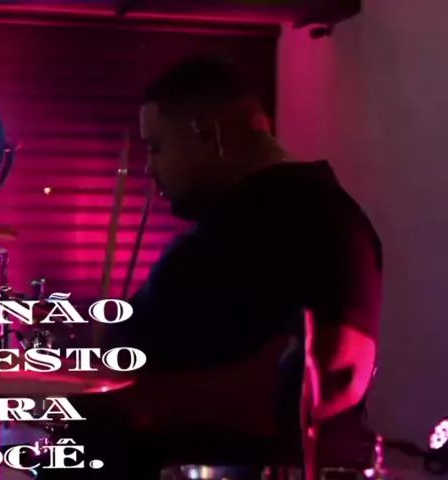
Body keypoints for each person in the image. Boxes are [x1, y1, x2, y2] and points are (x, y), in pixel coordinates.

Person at [37, 57, 381, 478]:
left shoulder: (254, 230)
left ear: (206, 134)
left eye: (157, 146)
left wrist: (119, 390)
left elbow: (126, 371)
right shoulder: (332, 215)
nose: (148, 167)